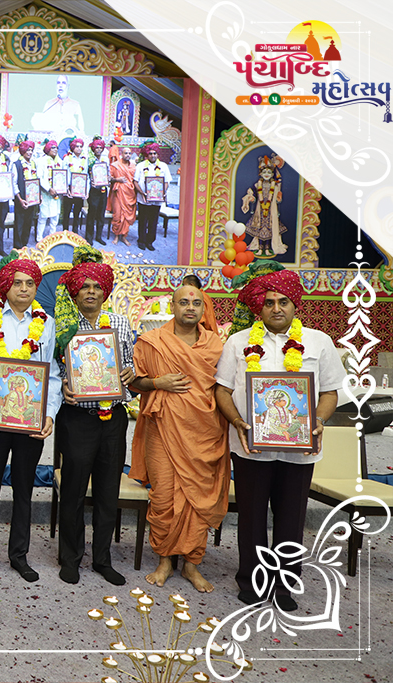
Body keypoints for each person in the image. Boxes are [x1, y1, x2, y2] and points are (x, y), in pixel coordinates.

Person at [215, 261, 344, 612]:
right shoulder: (238, 342)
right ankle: (252, 581)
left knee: (291, 518)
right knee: (251, 517)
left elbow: (330, 391)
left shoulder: (319, 341)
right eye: (269, 302)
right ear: (259, 306)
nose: (276, 308)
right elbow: (222, 390)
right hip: (250, 447)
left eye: (283, 302)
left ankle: (285, 586)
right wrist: (238, 421)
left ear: (294, 305)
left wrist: (318, 420)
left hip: (299, 451)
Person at [127, 285, 228, 593]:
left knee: (199, 498)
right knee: (163, 497)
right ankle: (164, 561)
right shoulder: (152, 341)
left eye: (196, 303)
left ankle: (192, 564)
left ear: (203, 309)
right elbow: (134, 382)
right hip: (163, 428)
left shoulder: (215, 345)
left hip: (204, 431)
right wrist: (158, 382)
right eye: (183, 302)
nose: (190, 307)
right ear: (172, 306)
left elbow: (225, 387)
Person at [0, 253, 60, 582]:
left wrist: (49, 413)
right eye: (17, 283)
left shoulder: (46, 324)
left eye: (30, 283)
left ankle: (19, 556)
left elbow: (52, 373)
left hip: (30, 419)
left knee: (24, 489)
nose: (24, 289)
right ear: (5, 287)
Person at [54, 247, 136, 585]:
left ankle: (102, 559)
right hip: (77, 418)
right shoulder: (62, 325)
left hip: (112, 417)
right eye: (84, 286)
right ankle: (70, 558)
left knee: (107, 491)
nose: (91, 291)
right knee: (73, 490)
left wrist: (130, 372)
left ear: (106, 291)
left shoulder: (120, 323)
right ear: (75, 292)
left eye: (97, 287)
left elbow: (130, 364)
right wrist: (62, 385)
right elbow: (54, 369)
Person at [240, 154, 289, 257]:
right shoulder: (257, 185)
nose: (266, 174)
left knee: (270, 229)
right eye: (264, 172)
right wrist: (251, 198)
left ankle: (267, 249)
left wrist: (278, 198)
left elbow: (277, 199)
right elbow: (254, 195)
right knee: (259, 229)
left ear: (272, 174)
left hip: (271, 210)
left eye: (269, 172)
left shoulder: (275, 186)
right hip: (260, 210)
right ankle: (260, 248)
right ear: (261, 173)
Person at [133, 143, 172, 252]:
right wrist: (142, 193)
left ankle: (150, 242)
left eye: (155, 153)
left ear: (157, 154)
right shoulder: (140, 166)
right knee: (142, 220)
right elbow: (135, 181)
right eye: (150, 153)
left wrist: (163, 193)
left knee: (153, 221)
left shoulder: (163, 166)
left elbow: (166, 181)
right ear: (147, 154)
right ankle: (141, 241)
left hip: (156, 200)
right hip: (143, 199)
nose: (153, 155)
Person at [31, 75, 86, 139]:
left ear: (68, 86)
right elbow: (42, 126)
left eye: (63, 83)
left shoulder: (75, 105)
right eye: (58, 83)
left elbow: (81, 129)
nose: (60, 85)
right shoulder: (49, 104)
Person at [11, 141, 40, 249]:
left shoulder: (33, 164)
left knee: (28, 224)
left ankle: (24, 245)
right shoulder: (16, 164)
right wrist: (20, 199)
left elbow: (36, 181)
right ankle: (17, 248)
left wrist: (39, 196)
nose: (30, 152)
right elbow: (14, 184)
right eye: (28, 150)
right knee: (19, 224)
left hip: (32, 199)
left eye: (31, 150)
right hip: (21, 199)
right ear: (23, 151)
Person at [108, 146, 137, 246]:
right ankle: (116, 236)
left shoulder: (133, 166)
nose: (128, 155)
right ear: (121, 154)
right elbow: (109, 178)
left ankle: (124, 236)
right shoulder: (115, 165)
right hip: (118, 193)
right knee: (117, 215)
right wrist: (117, 180)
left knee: (127, 216)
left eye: (129, 153)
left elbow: (136, 180)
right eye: (126, 153)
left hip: (130, 193)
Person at [85, 137, 110, 246]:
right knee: (92, 213)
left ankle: (99, 237)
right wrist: (90, 183)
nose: (99, 149)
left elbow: (108, 173)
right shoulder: (89, 160)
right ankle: (89, 237)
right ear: (93, 149)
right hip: (93, 190)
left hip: (103, 190)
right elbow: (86, 175)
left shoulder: (106, 160)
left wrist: (108, 179)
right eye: (97, 148)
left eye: (100, 148)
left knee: (101, 214)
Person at [60, 137, 88, 234]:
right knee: (66, 213)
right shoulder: (67, 159)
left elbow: (86, 176)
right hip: (69, 189)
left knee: (77, 213)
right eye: (77, 146)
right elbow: (63, 174)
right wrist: (66, 189)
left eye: (81, 146)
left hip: (79, 189)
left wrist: (86, 191)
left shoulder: (84, 160)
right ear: (72, 148)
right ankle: (65, 233)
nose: (79, 148)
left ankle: (75, 234)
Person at [36, 140, 63, 241]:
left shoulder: (60, 161)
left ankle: (52, 237)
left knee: (55, 217)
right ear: (47, 149)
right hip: (45, 193)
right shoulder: (41, 161)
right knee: (43, 216)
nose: (55, 150)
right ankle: (39, 238)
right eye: (53, 147)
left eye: (56, 148)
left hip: (57, 194)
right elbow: (39, 177)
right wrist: (48, 188)